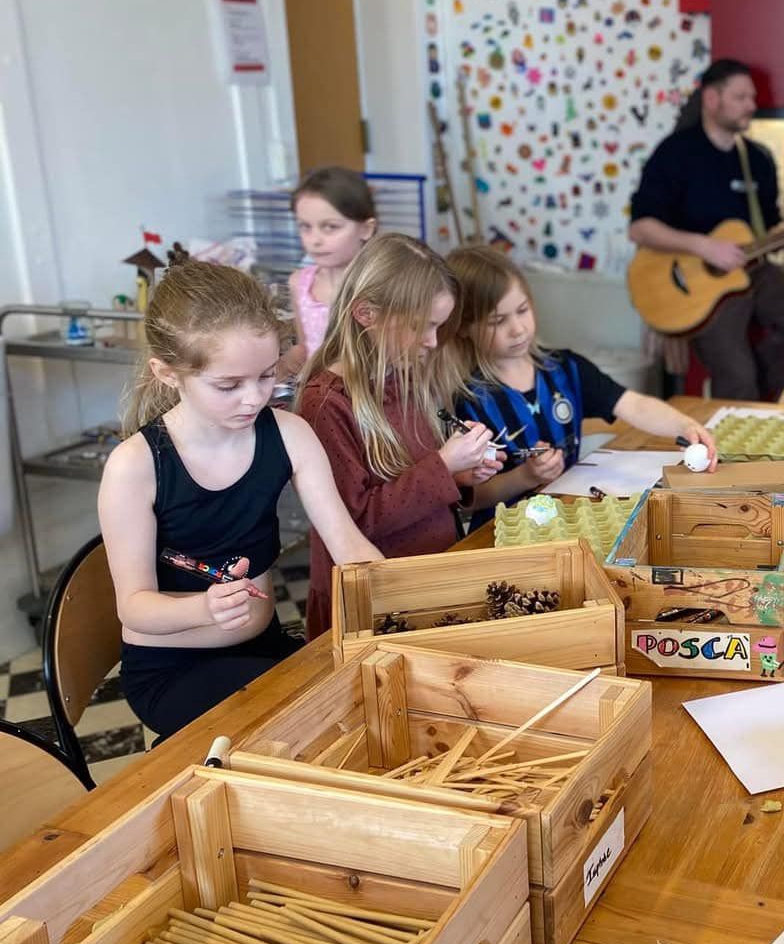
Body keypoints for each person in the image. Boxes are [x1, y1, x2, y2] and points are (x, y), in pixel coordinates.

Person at [99, 259, 382, 740]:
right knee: (320, 725)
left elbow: (348, 545)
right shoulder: (136, 466)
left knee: (359, 703)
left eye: (267, 377)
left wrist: (400, 603)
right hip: (172, 669)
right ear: (167, 374)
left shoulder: (290, 435)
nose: (253, 399)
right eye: (228, 386)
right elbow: (135, 607)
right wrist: (203, 609)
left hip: (262, 648)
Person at [298, 235, 500, 636]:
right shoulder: (326, 404)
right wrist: (444, 466)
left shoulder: (408, 379)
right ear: (365, 314)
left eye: (438, 327)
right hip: (369, 606)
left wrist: (461, 475)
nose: (431, 341)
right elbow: (356, 522)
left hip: (424, 586)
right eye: (419, 326)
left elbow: (415, 482)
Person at [444, 245, 718, 525]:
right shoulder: (465, 400)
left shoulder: (566, 369)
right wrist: (524, 477)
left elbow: (633, 405)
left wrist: (684, 426)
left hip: (573, 520)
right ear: (464, 327)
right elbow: (468, 498)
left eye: (523, 310)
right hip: (505, 535)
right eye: (497, 321)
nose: (518, 328)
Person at [628, 57, 784, 400]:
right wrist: (703, 247)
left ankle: (760, 395)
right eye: (741, 97)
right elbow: (641, 229)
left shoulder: (758, 161)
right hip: (699, 285)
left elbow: (768, 225)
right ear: (711, 99)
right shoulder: (675, 154)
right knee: (737, 375)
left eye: (752, 97)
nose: (752, 105)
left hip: (754, 272)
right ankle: (740, 414)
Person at [281, 167, 378, 378]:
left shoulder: (382, 286)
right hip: (319, 395)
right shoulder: (300, 283)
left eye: (330, 227)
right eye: (305, 227)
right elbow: (305, 348)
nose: (315, 240)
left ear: (366, 229)